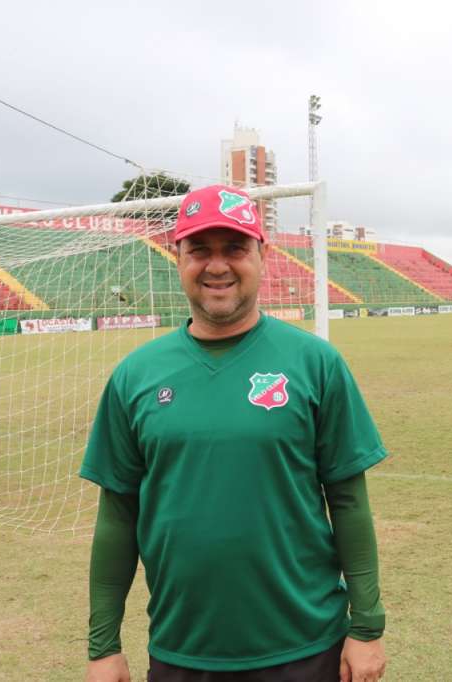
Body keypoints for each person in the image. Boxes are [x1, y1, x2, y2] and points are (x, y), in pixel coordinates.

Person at [81, 185, 388, 682]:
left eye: (235, 249)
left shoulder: (316, 363)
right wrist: (103, 646)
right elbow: (118, 516)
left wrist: (367, 628)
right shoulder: (134, 376)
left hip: (306, 647)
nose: (217, 266)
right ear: (176, 256)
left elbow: (349, 501)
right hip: (182, 652)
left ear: (263, 255)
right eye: (200, 249)